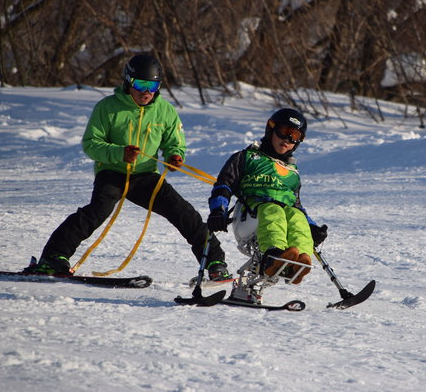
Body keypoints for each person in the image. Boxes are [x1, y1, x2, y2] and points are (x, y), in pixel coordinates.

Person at [26, 54, 231, 281]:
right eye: (141, 84)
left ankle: (214, 262)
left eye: (153, 85)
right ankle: (53, 258)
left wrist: (175, 156)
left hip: (146, 176)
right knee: (98, 211)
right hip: (112, 172)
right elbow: (91, 144)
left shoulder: (165, 111)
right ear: (128, 81)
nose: (147, 91)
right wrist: (119, 153)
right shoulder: (107, 108)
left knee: (183, 212)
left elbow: (174, 142)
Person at [206, 108, 328, 285]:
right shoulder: (246, 157)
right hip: (250, 215)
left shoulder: (292, 172)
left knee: (296, 217)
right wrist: (218, 210)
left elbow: (297, 205)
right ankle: (274, 256)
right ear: (271, 129)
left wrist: (312, 227)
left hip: (280, 214)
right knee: (274, 210)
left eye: (294, 136)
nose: (287, 139)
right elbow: (223, 186)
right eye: (284, 132)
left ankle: (298, 262)